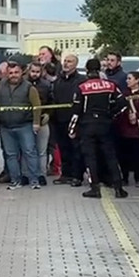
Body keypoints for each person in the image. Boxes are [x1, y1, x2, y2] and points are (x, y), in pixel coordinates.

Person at [69, 58, 128, 199]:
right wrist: (111, 115)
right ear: (100, 69)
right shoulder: (110, 85)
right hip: (105, 124)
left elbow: (76, 111)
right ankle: (119, 188)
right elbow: (123, 104)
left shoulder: (81, 87)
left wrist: (72, 129)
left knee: (90, 157)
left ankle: (94, 188)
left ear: (87, 70)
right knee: (111, 156)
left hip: (87, 125)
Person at [0, 62, 42, 190]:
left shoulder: (29, 88)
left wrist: (36, 123)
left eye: (16, 72)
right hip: (6, 126)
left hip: (25, 125)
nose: (13, 75)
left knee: (30, 152)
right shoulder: (0, 86)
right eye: (10, 73)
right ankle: (15, 180)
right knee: (10, 155)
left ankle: (34, 180)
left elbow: (36, 106)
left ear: (22, 73)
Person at [52, 54, 86, 186]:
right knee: (63, 148)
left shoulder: (81, 80)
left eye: (69, 61)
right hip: (59, 120)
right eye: (65, 61)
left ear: (76, 64)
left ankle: (76, 176)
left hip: (75, 120)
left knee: (76, 149)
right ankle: (65, 174)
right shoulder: (58, 81)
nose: (66, 64)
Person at [116, 71, 139, 187]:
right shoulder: (124, 94)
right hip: (124, 128)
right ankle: (124, 177)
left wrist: (137, 115)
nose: (127, 81)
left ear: (137, 80)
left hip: (138, 130)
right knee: (123, 156)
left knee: (138, 155)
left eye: (130, 78)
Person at [25, 62, 52, 186]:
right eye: (33, 71)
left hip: (42, 122)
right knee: (27, 150)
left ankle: (41, 174)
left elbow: (52, 102)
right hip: (26, 121)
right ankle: (26, 174)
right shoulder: (24, 85)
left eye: (37, 72)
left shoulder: (47, 85)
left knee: (42, 151)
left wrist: (48, 114)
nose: (35, 74)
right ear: (28, 71)